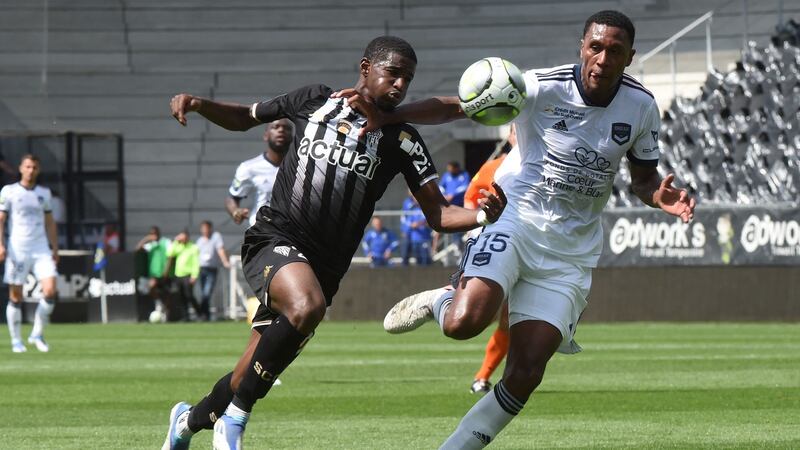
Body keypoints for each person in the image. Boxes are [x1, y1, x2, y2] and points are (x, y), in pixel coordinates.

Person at [340, 11, 696, 448]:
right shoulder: (541, 85)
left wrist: (656, 195)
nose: (602, 58)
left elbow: (643, 176)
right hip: (514, 218)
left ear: (630, 57)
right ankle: (441, 302)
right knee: (464, 323)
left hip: (570, 249)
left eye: (615, 51)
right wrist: (389, 116)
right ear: (582, 47)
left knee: (526, 370)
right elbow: (458, 106)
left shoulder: (641, 106)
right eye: (595, 47)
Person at [164, 35, 506, 450]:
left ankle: (186, 422)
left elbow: (439, 214)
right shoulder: (313, 100)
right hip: (275, 238)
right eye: (393, 73)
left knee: (246, 373)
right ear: (366, 68)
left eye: (408, 79)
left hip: (325, 269)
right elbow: (246, 116)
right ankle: (234, 422)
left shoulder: (403, 139)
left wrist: (484, 215)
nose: (400, 85)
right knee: (306, 307)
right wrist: (201, 104)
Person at [462, 126, 521, 395]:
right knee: (474, 313)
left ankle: (485, 376)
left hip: (532, 249)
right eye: (517, 131)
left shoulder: (549, 163)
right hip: (496, 247)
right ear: (510, 136)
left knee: (511, 320)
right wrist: (475, 227)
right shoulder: (495, 167)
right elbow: (471, 197)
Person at [0, 154, 59, 353]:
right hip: (18, 248)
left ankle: (37, 333)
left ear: (38, 170)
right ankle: (16, 340)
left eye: (34, 167)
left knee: (50, 291)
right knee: (16, 297)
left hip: (41, 248)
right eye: (27, 166)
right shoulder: (9, 192)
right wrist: (0, 245)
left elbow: (50, 222)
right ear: (20, 168)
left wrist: (55, 247)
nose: (31, 170)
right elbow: (0, 219)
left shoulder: (44, 193)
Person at [226, 119, 293, 226]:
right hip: (262, 233)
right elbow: (232, 198)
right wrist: (235, 211)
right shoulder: (249, 167)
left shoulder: (305, 166)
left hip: (295, 235)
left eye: (287, 128)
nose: (281, 130)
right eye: (275, 127)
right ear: (266, 135)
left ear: (293, 137)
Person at [196, 220, 231, 321]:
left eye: (206, 228)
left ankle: (203, 314)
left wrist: (225, 261)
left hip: (211, 269)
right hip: (202, 269)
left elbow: (220, 249)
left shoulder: (216, 237)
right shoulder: (200, 240)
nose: (204, 230)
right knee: (203, 293)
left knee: (206, 293)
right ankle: (205, 315)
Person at [164, 229, 201, 321]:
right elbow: (169, 253)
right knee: (181, 297)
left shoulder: (193, 247)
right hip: (178, 275)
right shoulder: (178, 247)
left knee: (189, 295)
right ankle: (186, 316)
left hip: (188, 275)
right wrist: (176, 241)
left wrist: (194, 275)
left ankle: (200, 313)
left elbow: (196, 262)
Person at [136, 226, 171, 320]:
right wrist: (147, 239)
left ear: (158, 233)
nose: (153, 235)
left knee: (167, 293)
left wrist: (166, 271)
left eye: (154, 233)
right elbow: (138, 249)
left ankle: (165, 312)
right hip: (154, 273)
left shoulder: (166, 242)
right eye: (151, 234)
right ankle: (158, 304)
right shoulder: (151, 245)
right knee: (151, 287)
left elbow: (170, 256)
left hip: (165, 273)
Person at [400, 193, 432, 266]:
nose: (416, 199)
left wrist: (418, 224)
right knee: (418, 260)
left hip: (424, 238)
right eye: (414, 198)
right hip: (414, 239)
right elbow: (407, 221)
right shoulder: (412, 210)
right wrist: (408, 227)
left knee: (426, 260)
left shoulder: (425, 209)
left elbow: (427, 220)